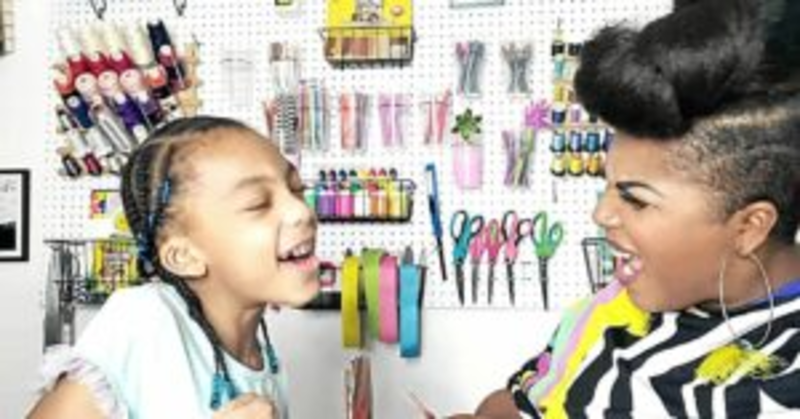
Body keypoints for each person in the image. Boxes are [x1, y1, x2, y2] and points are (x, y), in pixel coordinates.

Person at [451, 0, 800, 417]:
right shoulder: (622, 300)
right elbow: (521, 401)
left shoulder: (782, 386)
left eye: (635, 198)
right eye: (609, 186)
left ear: (750, 227)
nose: (602, 214)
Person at [28, 116, 320, 418]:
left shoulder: (264, 357)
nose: (302, 210)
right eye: (258, 203)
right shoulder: (144, 318)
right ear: (183, 257)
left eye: (296, 188)